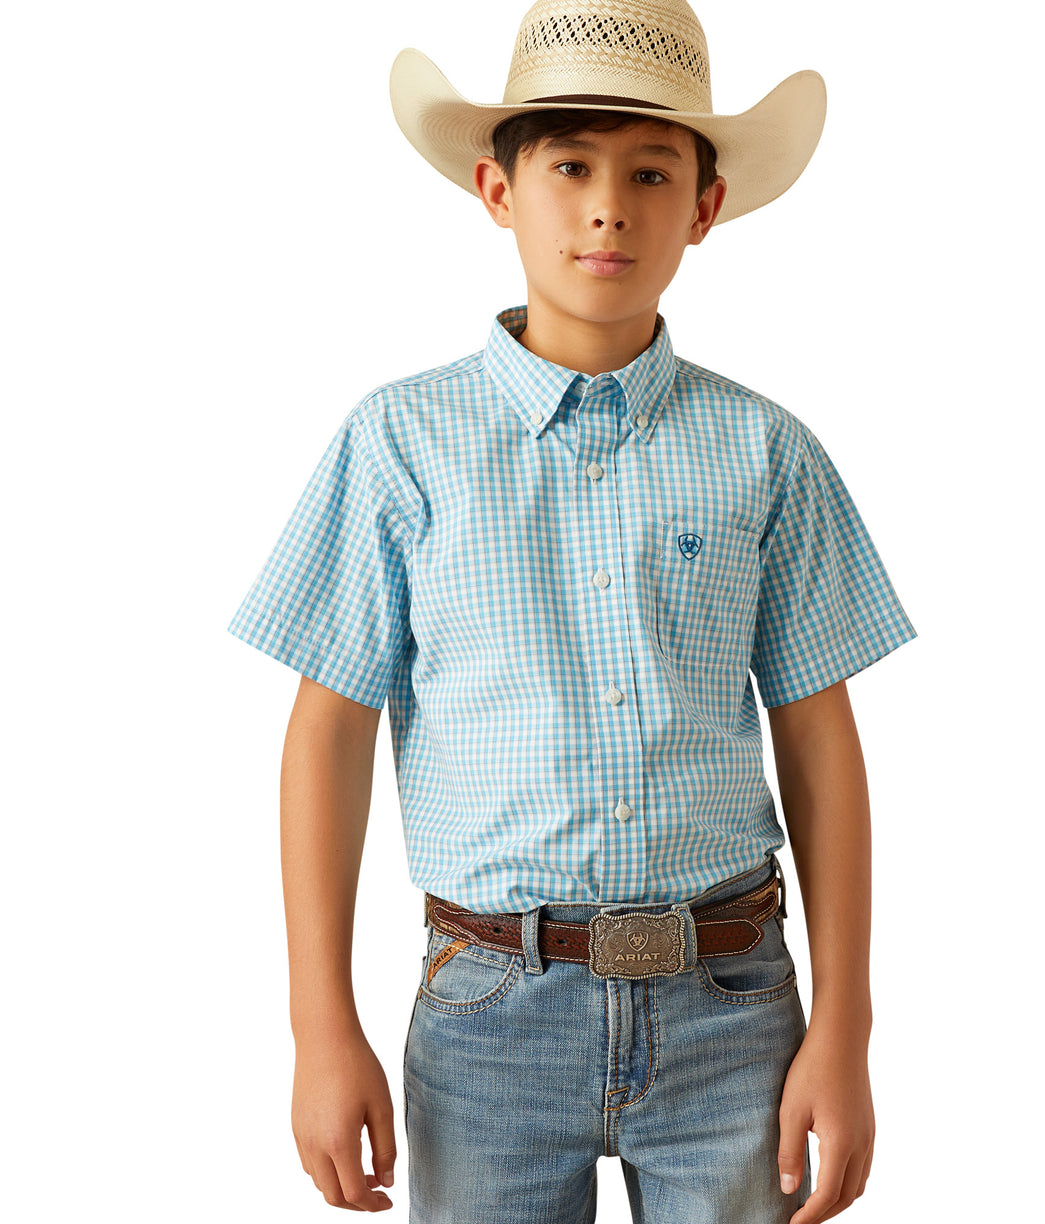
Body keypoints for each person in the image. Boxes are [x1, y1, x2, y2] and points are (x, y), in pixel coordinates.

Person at [226, 1, 917, 1220]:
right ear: (498, 189)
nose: (610, 206)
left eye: (652, 172)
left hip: (734, 1008)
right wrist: (318, 1025)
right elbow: (325, 735)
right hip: (489, 1006)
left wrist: (846, 1033)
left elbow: (821, 740)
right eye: (570, 167)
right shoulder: (401, 445)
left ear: (704, 208)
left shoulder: (766, 452)